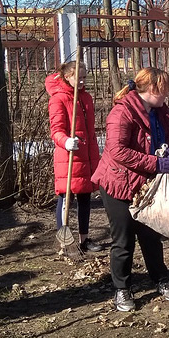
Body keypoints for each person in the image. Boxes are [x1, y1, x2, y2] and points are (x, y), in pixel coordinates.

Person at [91, 68, 169, 312]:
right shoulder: (122, 113)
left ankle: (160, 278)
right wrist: (155, 163)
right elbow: (117, 151)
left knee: (151, 235)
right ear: (151, 89)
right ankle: (122, 288)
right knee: (123, 240)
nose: (166, 94)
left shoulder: (159, 112)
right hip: (118, 183)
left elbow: (167, 137)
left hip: (146, 184)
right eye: (163, 89)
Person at [46, 61, 101, 253]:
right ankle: (65, 241)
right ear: (68, 77)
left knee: (85, 197)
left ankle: (84, 239)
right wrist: (66, 141)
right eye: (79, 78)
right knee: (65, 198)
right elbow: (56, 130)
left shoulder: (86, 98)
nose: (82, 81)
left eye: (85, 77)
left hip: (87, 155)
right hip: (68, 157)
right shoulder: (58, 99)